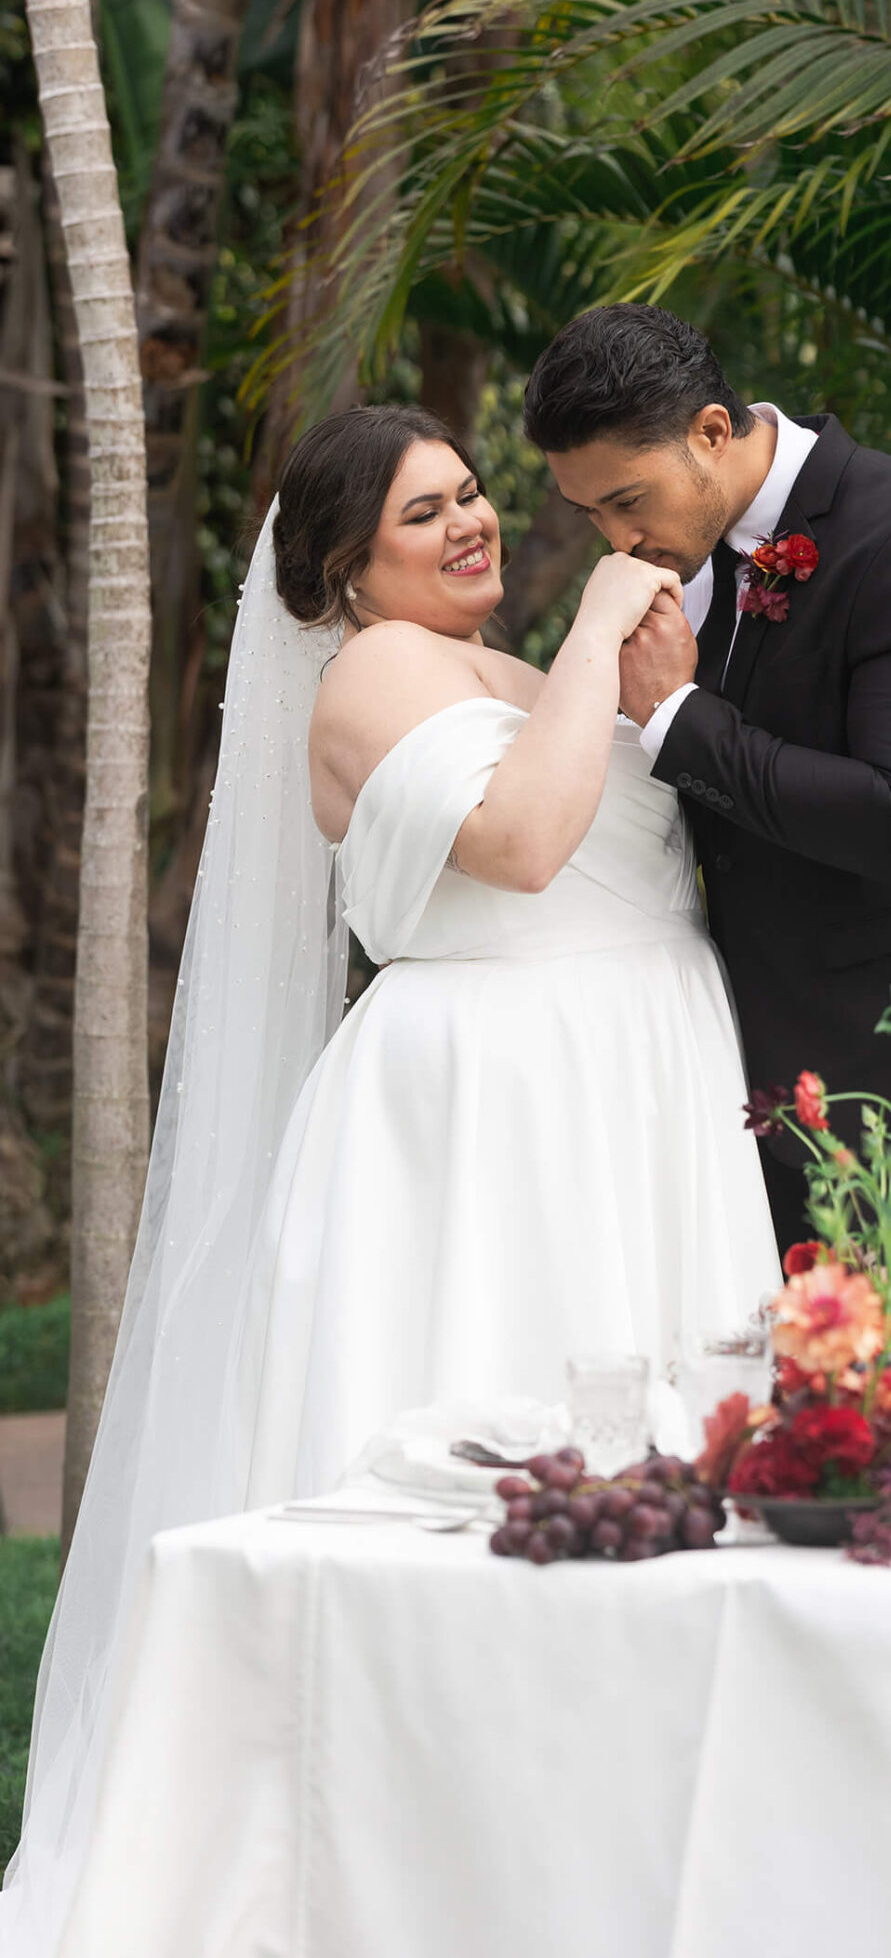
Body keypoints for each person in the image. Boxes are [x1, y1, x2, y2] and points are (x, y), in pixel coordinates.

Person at [2, 404, 779, 1956]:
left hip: (646, 1077)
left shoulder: (496, 663)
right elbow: (522, 836)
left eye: (473, 493)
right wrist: (603, 628)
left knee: (669, 1459)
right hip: (492, 1112)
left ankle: (645, 1837)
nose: (471, 523)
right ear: (346, 571)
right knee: (481, 1448)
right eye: (424, 516)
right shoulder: (374, 674)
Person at [524, 304, 891, 1269]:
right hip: (747, 1066)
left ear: (710, 431)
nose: (616, 538)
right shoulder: (668, 556)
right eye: (591, 515)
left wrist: (676, 716)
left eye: (627, 499)